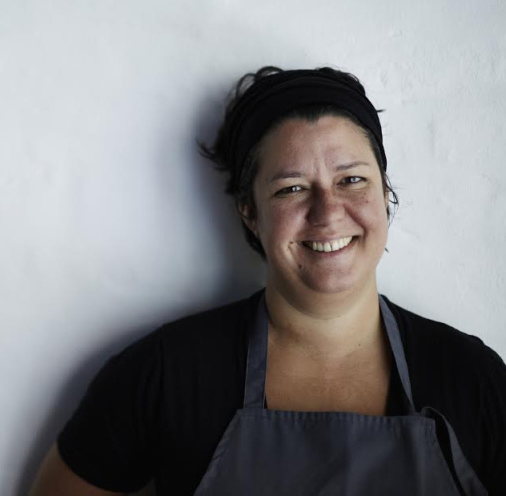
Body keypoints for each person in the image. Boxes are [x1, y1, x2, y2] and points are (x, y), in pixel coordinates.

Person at [29, 67, 506, 495]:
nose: (327, 212)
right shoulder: (166, 374)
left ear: (385, 192)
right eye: (291, 188)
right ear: (250, 213)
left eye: (352, 180)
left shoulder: (472, 378)